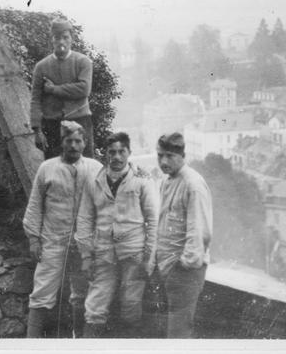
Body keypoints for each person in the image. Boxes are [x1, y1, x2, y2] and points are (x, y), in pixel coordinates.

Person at [75, 132, 159, 338]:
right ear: (105, 154)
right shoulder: (94, 181)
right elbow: (84, 220)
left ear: (129, 152)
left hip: (133, 253)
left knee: (131, 304)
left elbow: (154, 220)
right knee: (95, 306)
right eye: (112, 152)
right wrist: (86, 257)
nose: (117, 157)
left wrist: (149, 258)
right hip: (103, 253)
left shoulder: (142, 179)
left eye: (122, 151)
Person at [22, 121, 102, 338]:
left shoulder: (95, 168)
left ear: (85, 143)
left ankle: (81, 344)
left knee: (83, 293)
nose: (74, 146)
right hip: (53, 240)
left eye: (78, 141)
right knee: (41, 293)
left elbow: (104, 205)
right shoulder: (47, 168)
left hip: (84, 244)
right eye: (69, 141)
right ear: (62, 143)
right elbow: (35, 205)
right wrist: (33, 239)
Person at [155, 132, 213, 338]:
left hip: (184, 271)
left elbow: (199, 232)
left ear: (182, 155)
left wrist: (183, 267)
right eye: (160, 155)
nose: (163, 161)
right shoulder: (167, 181)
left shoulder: (193, 184)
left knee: (178, 333)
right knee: (169, 329)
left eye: (170, 156)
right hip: (167, 267)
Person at [30, 18, 95, 159]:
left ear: (72, 39)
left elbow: (84, 89)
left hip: (81, 122)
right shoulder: (41, 67)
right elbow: (35, 99)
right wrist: (37, 130)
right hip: (52, 127)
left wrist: (54, 89)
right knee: (54, 171)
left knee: (86, 168)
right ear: (51, 40)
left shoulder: (83, 62)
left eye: (65, 37)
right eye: (57, 38)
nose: (61, 42)